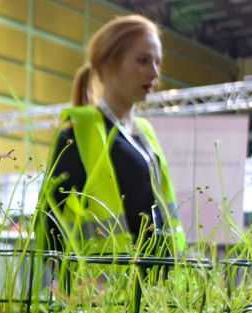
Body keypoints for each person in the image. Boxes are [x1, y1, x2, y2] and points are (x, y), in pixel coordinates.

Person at [39, 14, 183, 254]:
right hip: (101, 283)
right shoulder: (78, 130)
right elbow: (50, 222)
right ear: (109, 63)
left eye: (157, 62)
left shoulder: (145, 134)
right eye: (143, 60)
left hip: (155, 281)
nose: (154, 73)